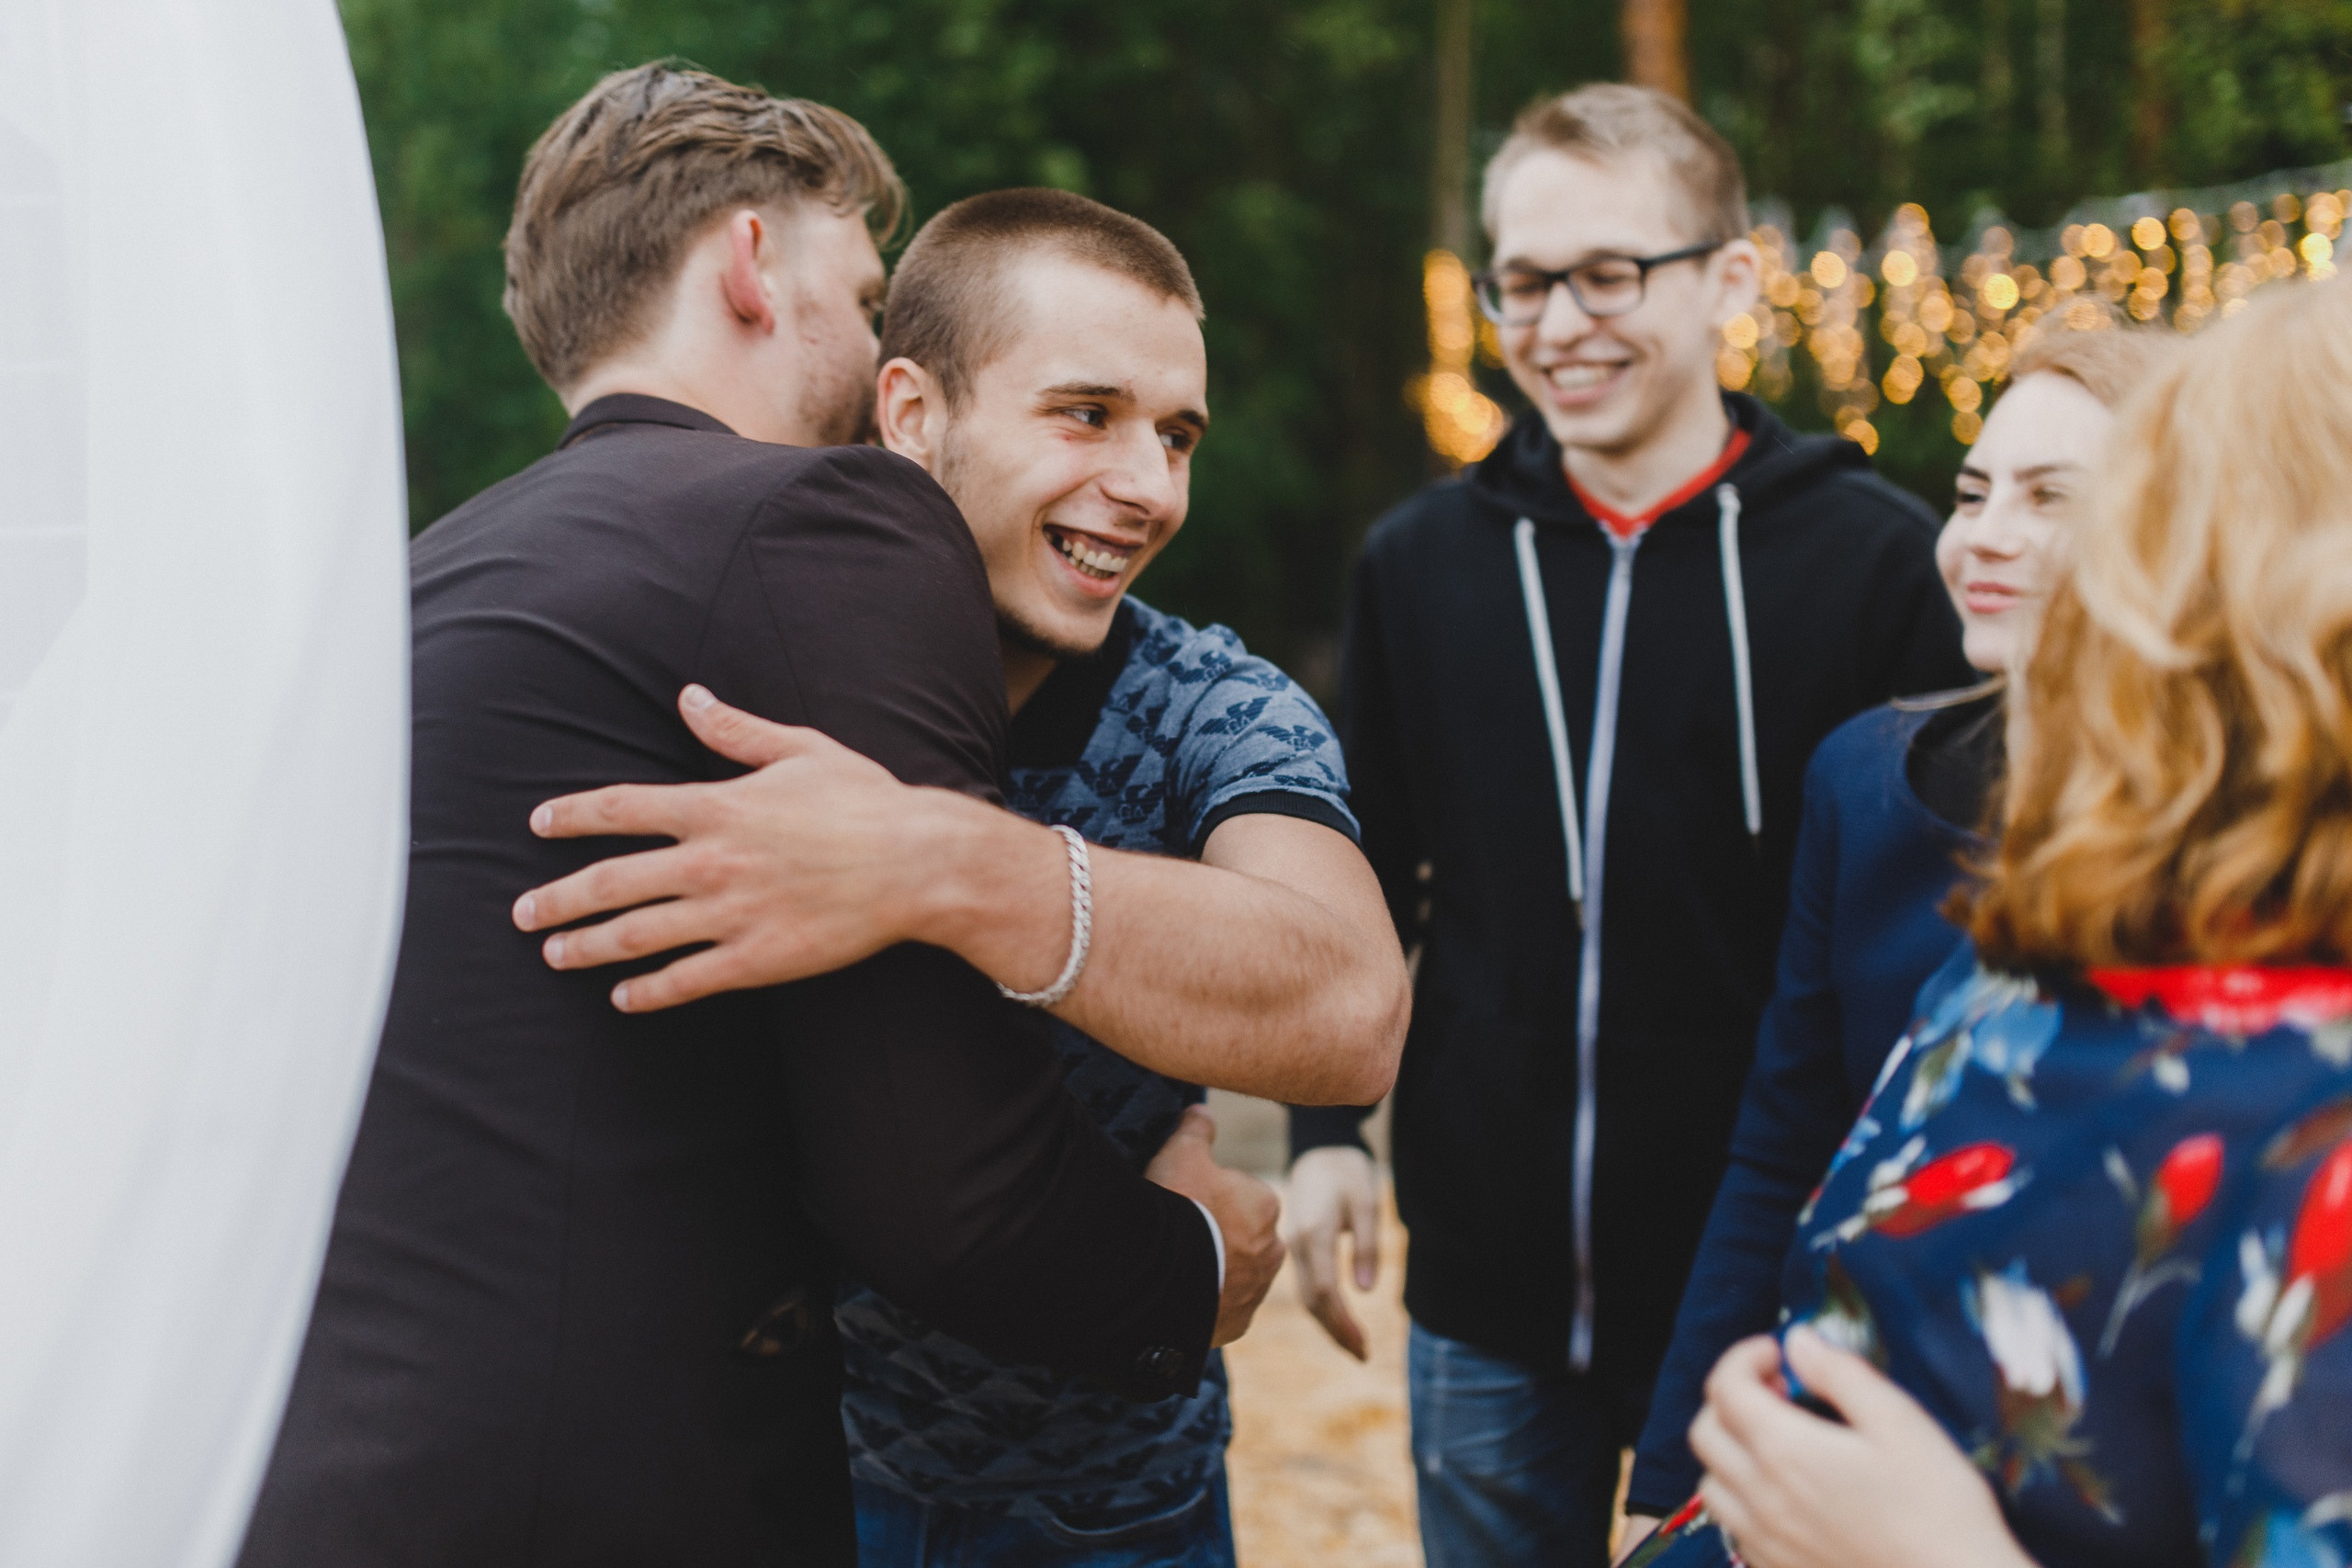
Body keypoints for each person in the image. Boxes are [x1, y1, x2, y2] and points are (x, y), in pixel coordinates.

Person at [235, 66, 1283, 1568]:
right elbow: (941, 1184)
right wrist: (1199, 1257)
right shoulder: (826, 518)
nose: (877, 369)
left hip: (337, 1466)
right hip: (627, 1489)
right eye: (864, 299)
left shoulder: (421, 586)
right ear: (748, 263)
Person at [509, 189, 1410, 1565]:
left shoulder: (1207, 704)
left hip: (1110, 1504)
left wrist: (935, 863)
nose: (1152, 486)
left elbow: (1350, 1006)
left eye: (1177, 436)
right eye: (1086, 413)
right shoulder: (720, 658)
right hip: (763, 1482)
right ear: (913, 412)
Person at [1283, 82, 1973, 1568]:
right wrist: (1331, 1130)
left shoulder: (1881, 561)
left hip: (1771, 1289)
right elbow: (1354, 863)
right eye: (1524, 280)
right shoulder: (1419, 564)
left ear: (1728, 278)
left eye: (1609, 272)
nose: (1557, 320)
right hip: (1485, 1283)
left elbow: (1949, 936)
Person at [1642, 272, 2352, 1568]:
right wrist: (1698, 1473)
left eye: (2102, 509)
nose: (1992, 543)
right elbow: (1792, 1164)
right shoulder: (2013, 960)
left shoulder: (2313, 1106)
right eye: (1975, 494)